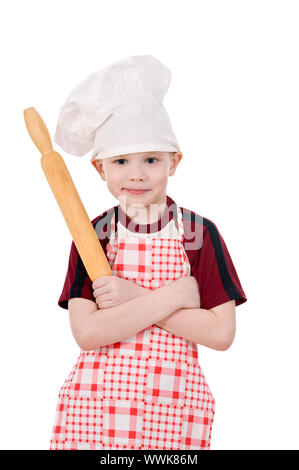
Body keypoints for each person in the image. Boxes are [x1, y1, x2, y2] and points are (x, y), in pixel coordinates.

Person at [49, 55, 247, 450]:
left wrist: (133, 296)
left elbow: (221, 333)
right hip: (95, 412)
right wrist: (176, 295)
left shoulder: (199, 234)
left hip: (174, 409)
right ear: (100, 169)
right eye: (121, 161)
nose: (136, 174)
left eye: (151, 159)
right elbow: (88, 334)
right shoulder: (93, 236)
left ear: (175, 162)